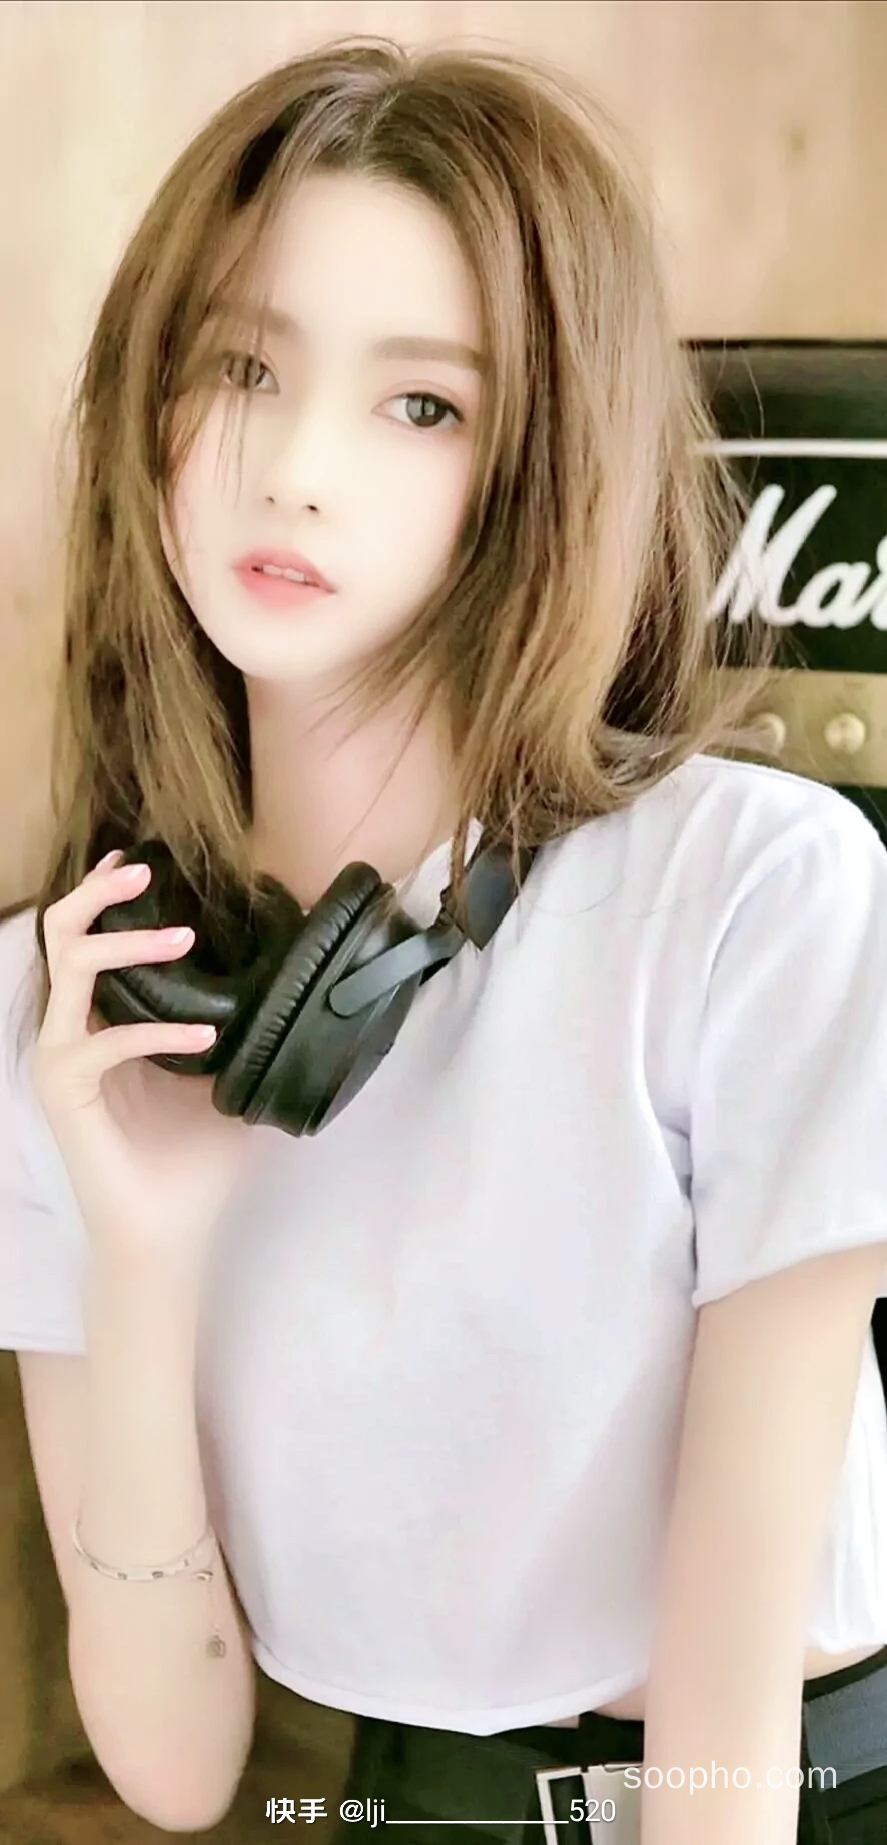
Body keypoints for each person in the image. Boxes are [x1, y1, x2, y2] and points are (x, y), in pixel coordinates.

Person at [2, 32, 887, 1845]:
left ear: (541, 468)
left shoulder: (755, 893)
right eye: (242, 366)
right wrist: (143, 1260)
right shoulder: (76, 1008)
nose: (295, 469)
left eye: (422, 404)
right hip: (413, 1801)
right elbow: (174, 1761)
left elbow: (723, 1744)